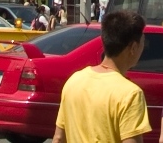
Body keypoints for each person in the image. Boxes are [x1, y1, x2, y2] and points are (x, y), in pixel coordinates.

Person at [53, 9, 151, 143]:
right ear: (133, 47)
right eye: (143, 42)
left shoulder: (74, 81)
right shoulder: (130, 94)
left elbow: (58, 138)